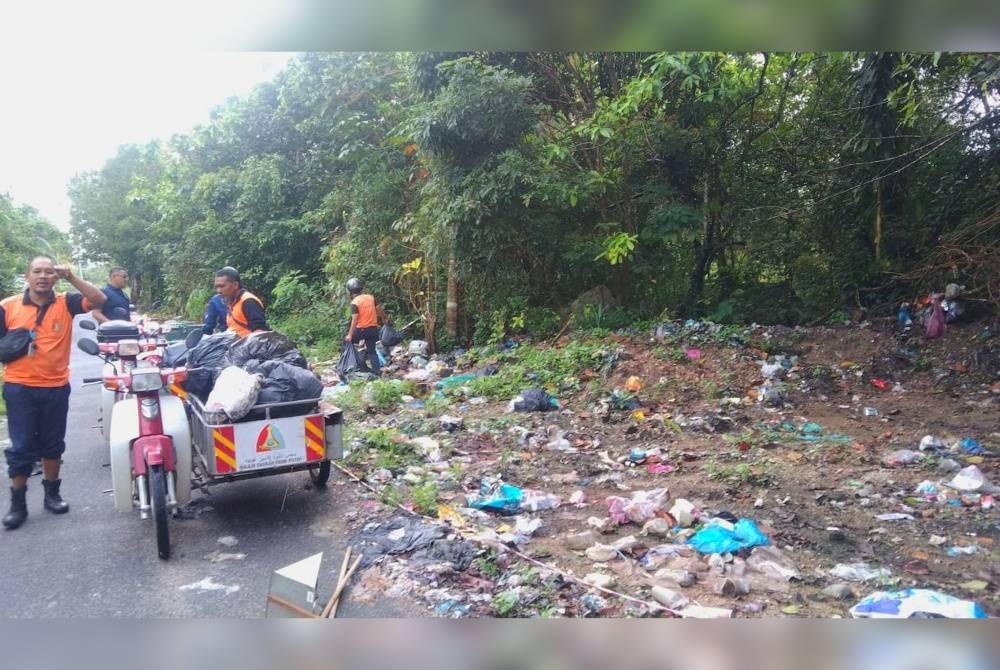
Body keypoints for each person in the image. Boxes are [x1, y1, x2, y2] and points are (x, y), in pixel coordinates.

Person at [1, 256, 107, 529]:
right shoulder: (7, 307)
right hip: (19, 387)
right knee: (22, 446)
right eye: (37, 271)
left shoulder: (66, 302)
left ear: (55, 277)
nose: (43, 276)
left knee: (52, 443)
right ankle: (18, 503)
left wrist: (71, 276)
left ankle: (52, 494)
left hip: (55, 387)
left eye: (49, 272)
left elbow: (99, 299)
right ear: (27, 276)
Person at [344, 277, 388, 374]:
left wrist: (350, 335)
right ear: (361, 288)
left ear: (350, 291)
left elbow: (355, 320)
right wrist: (385, 319)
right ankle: (377, 371)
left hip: (361, 331)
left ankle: (358, 365)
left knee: (347, 342)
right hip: (373, 329)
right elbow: (380, 310)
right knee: (372, 351)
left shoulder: (355, 302)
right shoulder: (371, 298)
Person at [213, 266, 268, 338]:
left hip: (248, 347)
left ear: (235, 285)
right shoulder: (232, 301)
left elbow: (260, 332)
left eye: (222, 286)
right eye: (217, 287)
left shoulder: (248, 301)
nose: (218, 291)